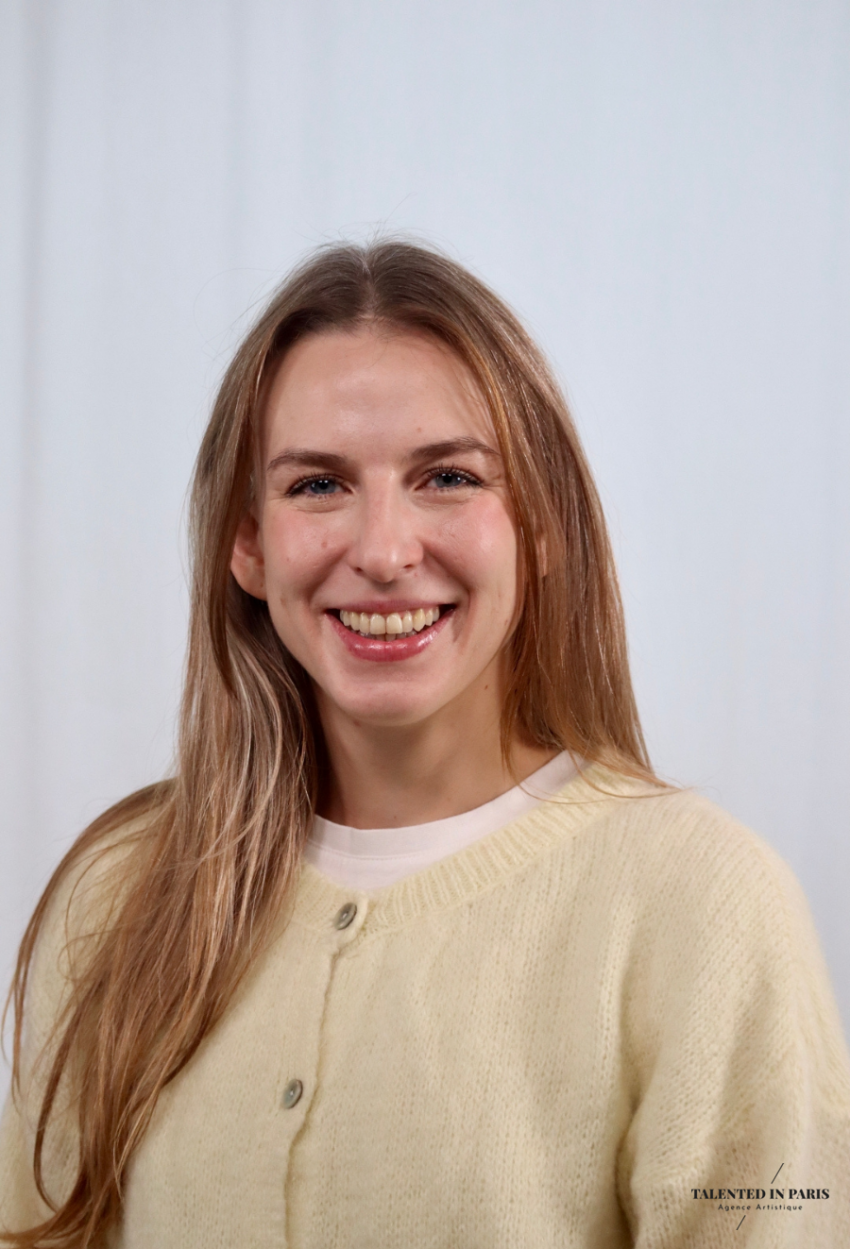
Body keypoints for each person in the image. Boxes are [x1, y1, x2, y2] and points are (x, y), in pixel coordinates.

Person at [1, 239, 848, 1249]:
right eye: (317, 485)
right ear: (247, 543)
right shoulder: (121, 891)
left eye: (447, 476)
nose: (384, 551)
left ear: (542, 525)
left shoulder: (702, 905)